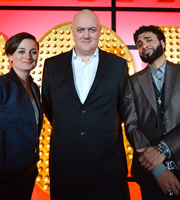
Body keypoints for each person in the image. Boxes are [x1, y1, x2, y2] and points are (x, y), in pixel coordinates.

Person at [42, 9, 130, 200]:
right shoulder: (52, 65)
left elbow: (124, 109)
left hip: (108, 165)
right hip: (65, 165)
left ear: (100, 31)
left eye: (92, 29)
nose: (86, 35)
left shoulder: (118, 65)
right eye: (81, 30)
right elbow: (50, 107)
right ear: (72, 31)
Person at [123, 25, 180, 200]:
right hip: (150, 175)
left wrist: (164, 149)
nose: (143, 45)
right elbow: (132, 127)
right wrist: (157, 169)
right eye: (139, 43)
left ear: (163, 43)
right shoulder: (132, 82)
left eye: (149, 40)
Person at [0, 32, 43, 200]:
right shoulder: (2, 86)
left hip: (28, 170)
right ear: (10, 55)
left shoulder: (34, 88)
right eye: (22, 51)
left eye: (33, 51)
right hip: (4, 173)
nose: (28, 56)